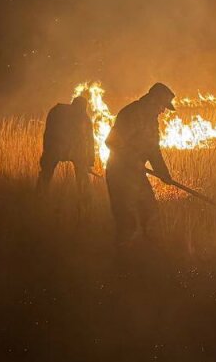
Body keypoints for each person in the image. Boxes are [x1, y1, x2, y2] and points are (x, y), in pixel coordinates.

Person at [104, 82, 177, 243]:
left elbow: (153, 151)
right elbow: (111, 142)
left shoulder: (151, 120)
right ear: (153, 101)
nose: (163, 110)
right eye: (162, 105)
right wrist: (132, 161)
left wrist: (163, 173)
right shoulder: (131, 113)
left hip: (136, 174)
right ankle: (123, 260)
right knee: (126, 221)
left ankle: (146, 254)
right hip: (119, 174)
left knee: (150, 212)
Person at [38, 95, 95, 189]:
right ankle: (40, 195)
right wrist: (47, 153)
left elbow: (89, 140)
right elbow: (49, 134)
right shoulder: (58, 113)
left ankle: (85, 199)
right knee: (46, 173)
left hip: (70, 149)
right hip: (56, 147)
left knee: (82, 175)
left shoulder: (83, 118)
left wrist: (89, 161)